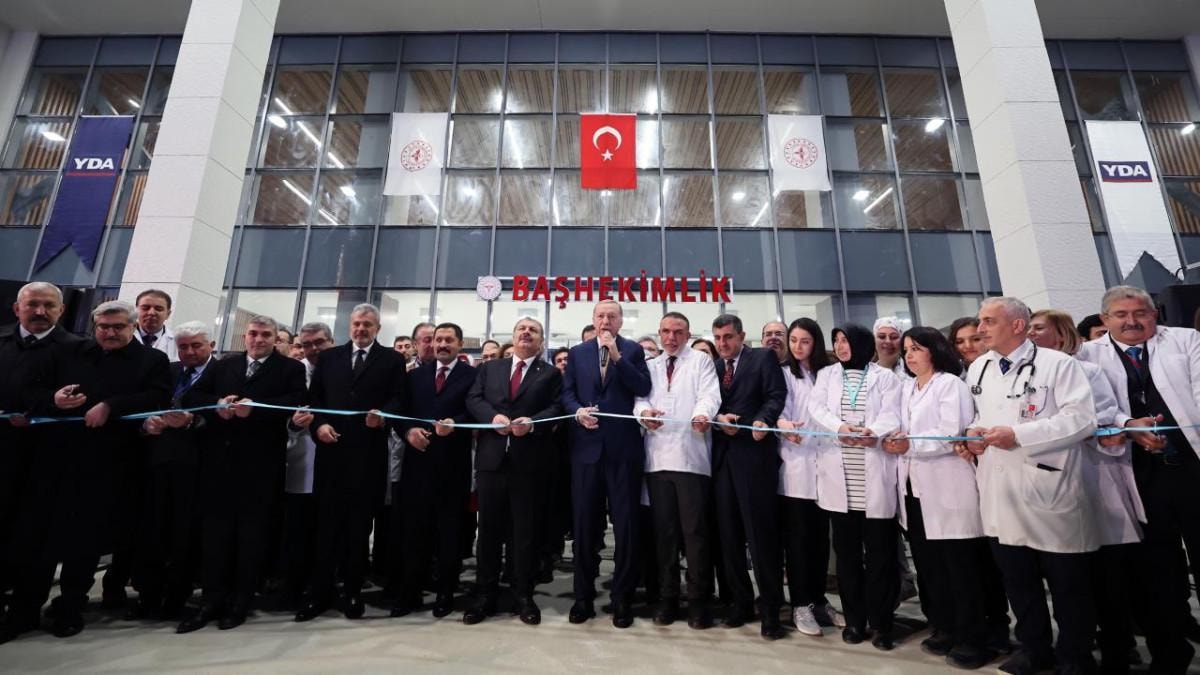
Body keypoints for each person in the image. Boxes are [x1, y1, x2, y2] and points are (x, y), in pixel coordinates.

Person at [3, 301, 170, 642]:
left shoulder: (152, 360)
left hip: (108, 463)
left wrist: (111, 406)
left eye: (118, 327)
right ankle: (24, 610)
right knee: (40, 538)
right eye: (103, 326)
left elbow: (158, 396)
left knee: (85, 542)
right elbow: (30, 388)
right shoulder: (68, 352)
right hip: (55, 459)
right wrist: (54, 399)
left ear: (133, 326)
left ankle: (70, 609)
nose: (110, 333)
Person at [961, 297, 1100, 674]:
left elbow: (1081, 420)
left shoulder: (1059, 365)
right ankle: (1033, 648)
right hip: (1000, 487)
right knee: (1018, 581)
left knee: (1068, 585)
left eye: (988, 321)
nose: (980, 329)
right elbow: (979, 416)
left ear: (1017, 325)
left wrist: (1019, 435)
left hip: (1049, 483)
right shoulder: (979, 368)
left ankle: (1075, 656)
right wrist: (972, 435)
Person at [1077, 286, 1200, 672]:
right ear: (1105, 319)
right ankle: (1171, 654)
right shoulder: (1086, 356)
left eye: (1140, 313)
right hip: (1135, 473)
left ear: (1154, 313)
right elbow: (1093, 409)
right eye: (1120, 314)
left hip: (1191, 468)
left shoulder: (1186, 340)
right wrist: (1129, 425)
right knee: (1157, 572)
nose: (1131, 321)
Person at [176, 315, 306, 633]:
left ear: (275, 338)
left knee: (251, 537)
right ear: (244, 336)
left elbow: (295, 401)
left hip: (261, 466)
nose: (258, 339)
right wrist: (218, 403)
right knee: (215, 536)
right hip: (219, 464)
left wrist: (256, 406)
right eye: (253, 333)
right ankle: (211, 600)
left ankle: (240, 601)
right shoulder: (225, 365)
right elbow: (192, 396)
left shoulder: (290, 368)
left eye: (265, 334)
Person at [1031, 308, 1143, 672]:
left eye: (1038, 328)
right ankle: (1081, 645)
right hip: (1050, 483)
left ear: (1062, 334)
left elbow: (1106, 417)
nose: (1030, 335)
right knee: (1070, 580)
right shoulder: (1030, 375)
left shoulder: (1087, 371)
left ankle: (1119, 648)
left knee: (1107, 576)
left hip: (1093, 477)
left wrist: (1088, 434)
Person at [881, 327, 993, 669]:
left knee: (960, 570)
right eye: (906, 350)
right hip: (914, 489)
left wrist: (908, 443)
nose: (909, 355)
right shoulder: (906, 388)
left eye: (916, 348)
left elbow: (949, 433)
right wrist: (889, 437)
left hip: (948, 487)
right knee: (930, 568)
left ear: (935, 350)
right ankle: (945, 627)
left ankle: (973, 638)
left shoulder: (950, 385)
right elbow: (894, 423)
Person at [296, 304, 407, 623]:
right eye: (357, 323)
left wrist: (383, 416)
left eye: (367, 324)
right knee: (326, 528)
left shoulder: (392, 359)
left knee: (358, 530)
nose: (361, 329)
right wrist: (319, 426)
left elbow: (398, 398)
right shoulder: (330, 357)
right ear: (349, 325)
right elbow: (316, 399)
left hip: (369, 454)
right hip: (331, 453)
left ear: (378, 328)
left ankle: (353, 592)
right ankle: (320, 594)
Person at [808, 324, 902, 650]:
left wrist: (873, 431)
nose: (840, 345)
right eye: (836, 340)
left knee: (880, 558)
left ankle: (882, 623)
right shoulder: (827, 375)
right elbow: (816, 408)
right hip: (841, 476)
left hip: (872, 471)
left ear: (861, 343)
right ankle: (854, 621)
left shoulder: (885, 377)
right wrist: (839, 427)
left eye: (845, 340)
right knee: (847, 559)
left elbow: (893, 413)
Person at [464, 317, 562, 625]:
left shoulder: (550, 374)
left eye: (533, 330)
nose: (526, 333)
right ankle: (485, 595)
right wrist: (491, 417)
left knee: (525, 534)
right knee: (488, 532)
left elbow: (557, 407)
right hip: (492, 462)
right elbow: (473, 398)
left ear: (541, 341)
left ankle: (523, 595)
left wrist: (532, 423)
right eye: (522, 329)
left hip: (529, 464)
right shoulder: (490, 369)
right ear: (514, 335)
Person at [562, 300, 652, 628]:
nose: (605, 321)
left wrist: (617, 357)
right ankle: (582, 596)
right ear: (593, 319)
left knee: (626, 526)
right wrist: (577, 412)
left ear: (620, 322)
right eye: (600, 315)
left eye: (611, 316)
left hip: (623, 451)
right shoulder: (578, 353)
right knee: (585, 525)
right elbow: (567, 393)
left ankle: (622, 597)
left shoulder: (633, 351)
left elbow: (642, 387)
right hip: (586, 450)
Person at [0, 282, 80, 626]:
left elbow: (84, 397)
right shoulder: (2, 342)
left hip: (48, 459)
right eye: (33, 304)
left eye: (49, 305)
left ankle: (26, 610)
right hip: (3, 454)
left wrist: (49, 404)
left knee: (37, 537)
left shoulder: (78, 349)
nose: (40, 311)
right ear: (17, 308)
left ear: (61, 310)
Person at [634, 312, 721, 628]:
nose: (671, 337)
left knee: (695, 534)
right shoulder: (650, 365)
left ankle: (698, 601)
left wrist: (702, 414)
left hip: (690, 457)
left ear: (688, 334)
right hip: (657, 458)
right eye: (666, 331)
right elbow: (639, 398)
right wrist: (645, 413)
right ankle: (668, 598)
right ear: (659, 333)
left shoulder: (701, 361)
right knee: (665, 534)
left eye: (678, 332)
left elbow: (710, 395)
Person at [710, 314, 789, 640]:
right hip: (722, 460)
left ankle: (771, 610)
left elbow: (776, 395)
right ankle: (740, 603)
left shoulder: (762, 358)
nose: (723, 343)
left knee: (761, 538)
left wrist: (763, 420)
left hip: (755, 457)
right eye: (718, 338)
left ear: (742, 337)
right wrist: (717, 418)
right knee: (728, 537)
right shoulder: (713, 366)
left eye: (728, 337)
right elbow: (707, 402)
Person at [130, 321, 215, 622]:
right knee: (153, 531)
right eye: (183, 347)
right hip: (159, 462)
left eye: (196, 346)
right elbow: (147, 405)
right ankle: (149, 596)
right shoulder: (168, 371)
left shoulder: (224, 373)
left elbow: (224, 420)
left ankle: (178, 598)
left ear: (211, 346)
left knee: (185, 535)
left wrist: (193, 422)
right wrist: (147, 424)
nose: (189, 352)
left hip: (198, 467)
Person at [392, 323, 476, 619]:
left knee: (449, 535)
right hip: (417, 465)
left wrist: (456, 423)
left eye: (449, 340)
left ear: (460, 344)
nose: (442, 344)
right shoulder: (414, 376)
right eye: (438, 339)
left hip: (453, 466)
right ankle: (410, 593)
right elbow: (398, 413)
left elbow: (475, 410)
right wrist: (408, 431)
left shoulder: (472, 376)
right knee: (414, 533)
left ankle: (445, 593)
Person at [774, 318, 842, 636]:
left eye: (805, 341)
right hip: (795, 465)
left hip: (826, 464)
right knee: (798, 541)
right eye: (794, 341)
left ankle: (819, 600)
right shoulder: (784, 373)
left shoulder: (829, 374)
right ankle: (801, 604)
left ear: (816, 343)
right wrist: (783, 424)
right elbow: (778, 408)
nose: (798, 347)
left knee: (820, 540)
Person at [278, 322, 334, 608]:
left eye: (319, 343)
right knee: (296, 531)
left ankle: (322, 587)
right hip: (297, 462)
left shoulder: (340, 372)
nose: (313, 349)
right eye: (306, 344)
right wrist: (293, 424)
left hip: (331, 461)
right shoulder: (291, 373)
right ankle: (293, 587)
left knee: (326, 532)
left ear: (331, 343)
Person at [134, 289, 179, 362]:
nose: (151, 313)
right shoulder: (123, 337)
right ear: (136, 311)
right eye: (145, 308)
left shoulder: (177, 343)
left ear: (168, 314)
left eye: (158, 309)